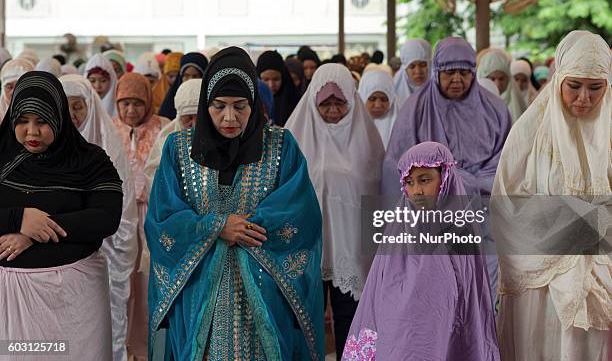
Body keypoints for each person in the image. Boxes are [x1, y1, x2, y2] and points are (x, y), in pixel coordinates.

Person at [146, 47, 324, 360]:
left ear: (254, 104)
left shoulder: (281, 146)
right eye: (219, 106)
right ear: (205, 105)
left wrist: (247, 228)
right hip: (200, 294)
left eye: (240, 106)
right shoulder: (178, 149)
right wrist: (215, 226)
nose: (230, 117)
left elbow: (301, 214)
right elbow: (163, 218)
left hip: (262, 295)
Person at [492, 31, 611, 361]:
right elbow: (506, 201)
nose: (584, 98)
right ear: (558, 78)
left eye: (595, 87)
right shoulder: (531, 131)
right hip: (542, 280)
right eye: (574, 85)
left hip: (601, 269)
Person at [0, 71, 123, 360]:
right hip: (11, 300)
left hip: (73, 302)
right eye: (22, 121)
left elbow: (106, 217)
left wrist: (35, 233)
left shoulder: (89, 159)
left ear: (58, 116)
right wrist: (18, 218)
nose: (32, 132)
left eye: (42, 121)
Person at [342, 142, 500, 361]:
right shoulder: (398, 226)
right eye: (409, 182)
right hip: (400, 331)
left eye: (425, 180)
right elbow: (379, 290)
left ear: (445, 178)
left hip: (447, 328)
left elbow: (471, 297)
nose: (416, 191)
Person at [286, 63, 384, 360]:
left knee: (351, 318)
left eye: (339, 103)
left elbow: (376, 194)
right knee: (304, 318)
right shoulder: (295, 136)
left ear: (351, 100)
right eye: (325, 104)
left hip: (351, 246)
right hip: (307, 245)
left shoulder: (367, 141)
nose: (331, 111)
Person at [60, 74, 139, 361]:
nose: (72, 115)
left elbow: (125, 207)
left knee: (104, 323)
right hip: (61, 256)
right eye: (65, 106)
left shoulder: (110, 144)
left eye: (78, 106)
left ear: (90, 107)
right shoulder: (46, 145)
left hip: (106, 251)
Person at [383, 37, 512, 198]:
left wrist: (476, 184)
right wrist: (442, 181)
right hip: (431, 206)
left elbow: (506, 157)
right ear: (437, 72)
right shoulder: (414, 110)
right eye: (450, 72)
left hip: (485, 201)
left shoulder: (495, 109)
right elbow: (398, 163)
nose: (457, 79)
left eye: (464, 73)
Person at [113, 72, 170, 361]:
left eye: (138, 103)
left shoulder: (162, 128)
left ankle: (148, 349)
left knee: (149, 281)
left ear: (148, 102)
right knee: (123, 282)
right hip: (121, 216)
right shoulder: (110, 130)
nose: (131, 110)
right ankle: (124, 347)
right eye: (125, 103)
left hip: (151, 213)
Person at [144, 78, 202, 192]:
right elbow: (154, 179)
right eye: (188, 118)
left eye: (199, 118)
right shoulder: (165, 140)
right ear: (179, 118)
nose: (194, 125)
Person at [477, 48, 527, 123]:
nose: (497, 84)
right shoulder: (473, 105)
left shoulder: (516, 103)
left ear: (508, 79)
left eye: (501, 79)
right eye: (492, 79)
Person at [158, 52, 209, 119]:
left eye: (195, 76)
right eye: (186, 76)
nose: (190, 80)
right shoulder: (170, 103)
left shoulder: (209, 100)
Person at [257, 50, 301, 126]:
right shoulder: (252, 102)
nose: (271, 85)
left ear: (283, 78)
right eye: (266, 79)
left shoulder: (295, 101)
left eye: (276, 79)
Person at [358, 69, 398, 149]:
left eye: (384, 99)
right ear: (362, 97)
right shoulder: (351, 124)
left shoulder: (402, 125)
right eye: (372, 99)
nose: (378, 105)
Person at [393, 39, 432, 106]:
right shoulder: (394, 93)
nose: (418, 71)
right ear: (405, 69)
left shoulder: (441, 90)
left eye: (423, 65)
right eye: (412, 66)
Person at [85, 53, 119, 118]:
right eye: (92, 81)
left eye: (103, 81)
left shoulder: (120, 110)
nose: (97, 86)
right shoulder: (80, 107)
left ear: (112, 82)